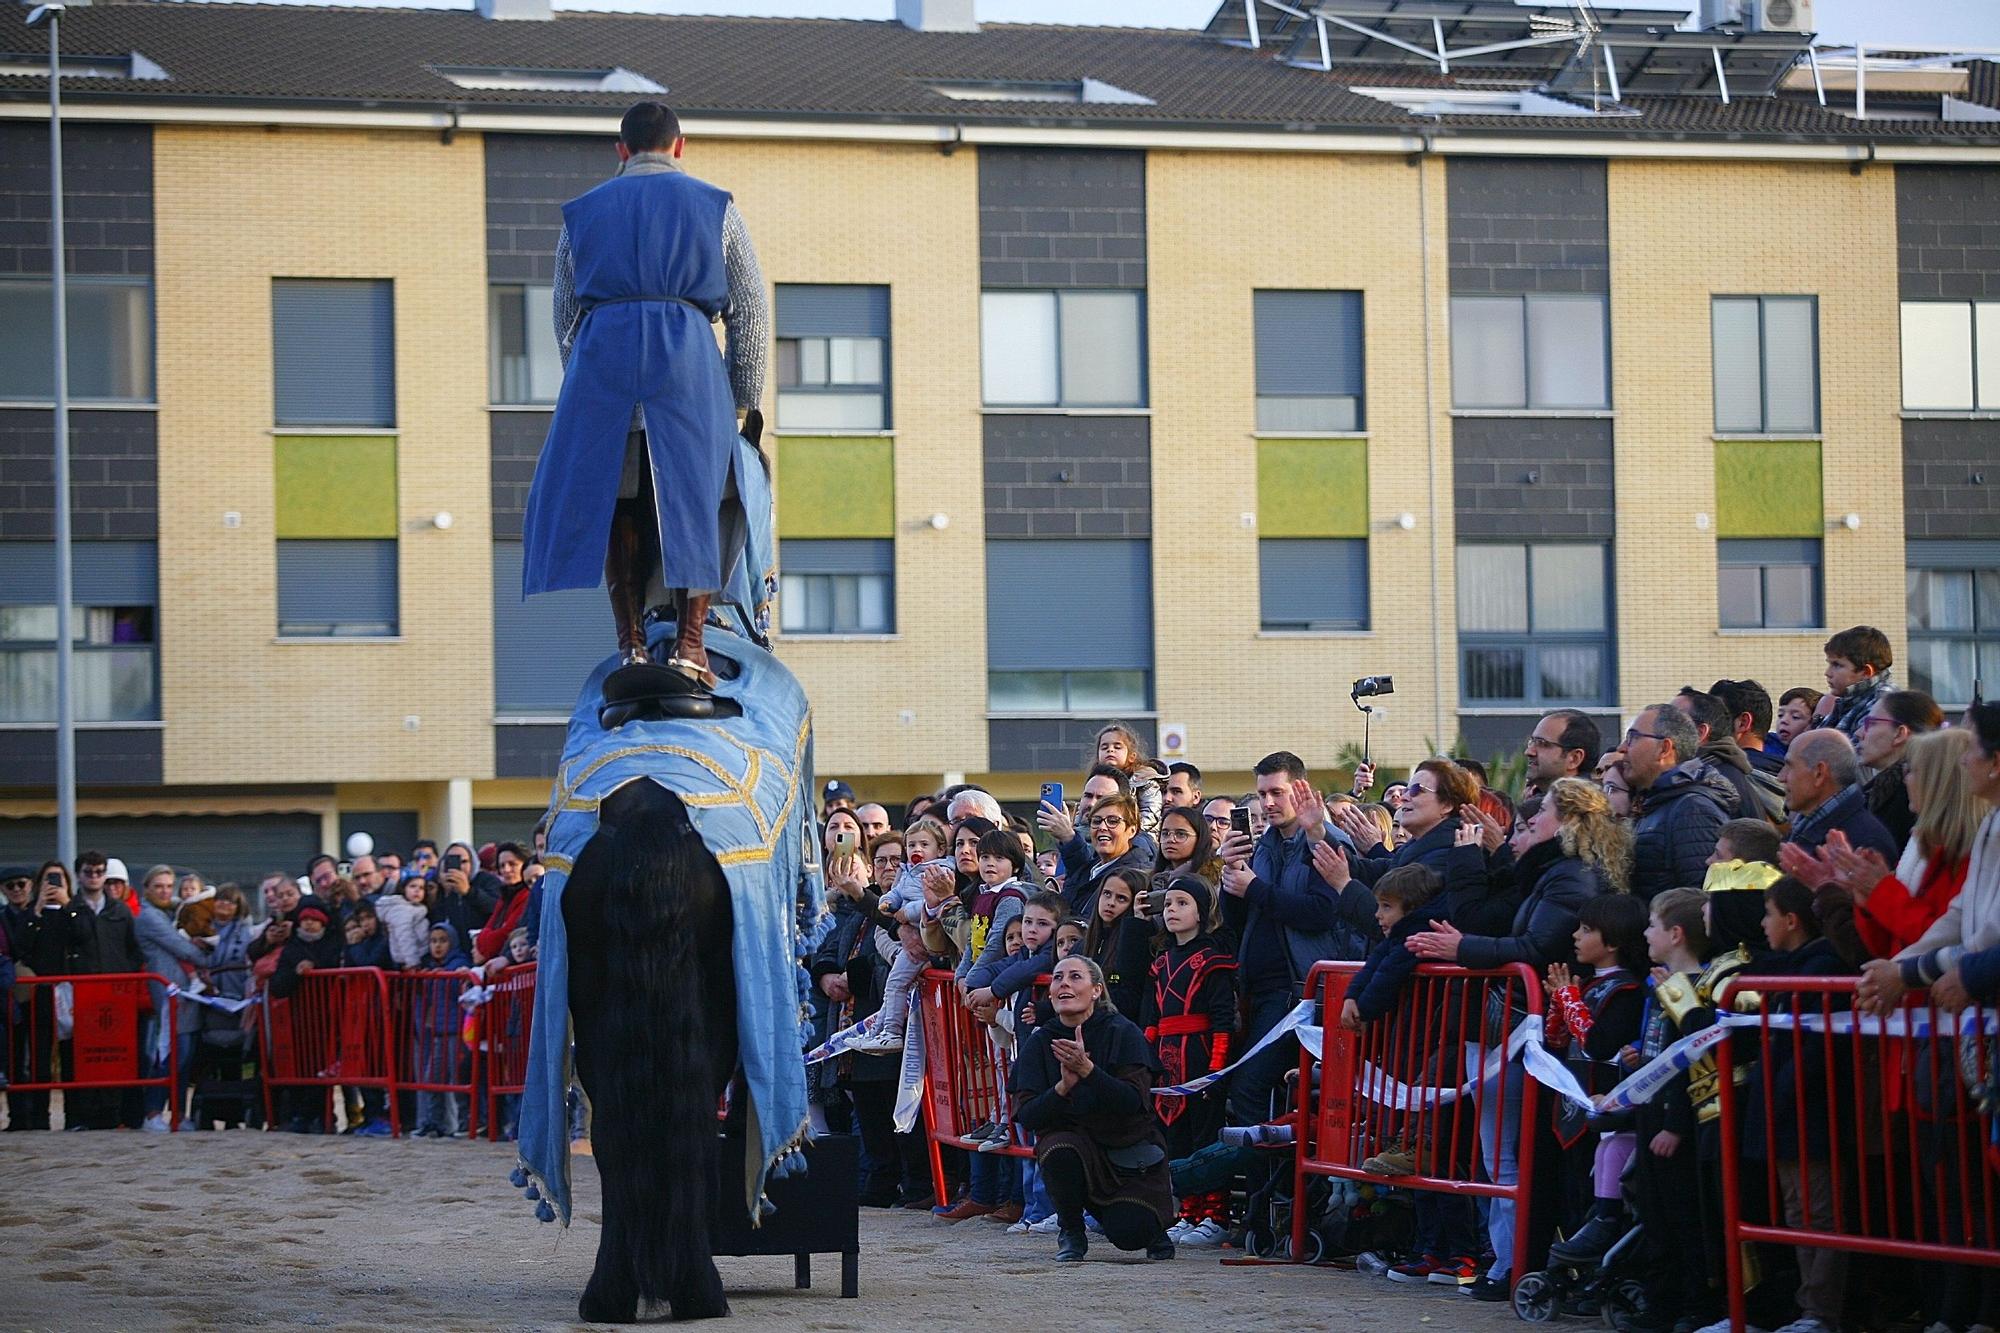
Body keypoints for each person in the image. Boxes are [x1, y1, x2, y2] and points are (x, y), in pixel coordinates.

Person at [522, 100, 768, 703]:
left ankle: (630, 641)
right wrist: (739, 397)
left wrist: (588, 391)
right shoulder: (717, 209)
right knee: (698, 500)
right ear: (679, 148)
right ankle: (690, 646)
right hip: (687, 368)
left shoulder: (581, 215)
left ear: (622, 151)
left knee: (618, 501)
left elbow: (563, 314)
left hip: (602, 371)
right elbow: (751, 311)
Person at [1406, 776, 1626, 1298]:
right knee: (1502, 1153)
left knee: (1515, 1154)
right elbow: (1505, 919)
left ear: (1568, 820)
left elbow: (1530, 946)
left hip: (1538, 1028)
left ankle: (1515, 1265)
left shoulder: (1571, 878)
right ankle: (1509, 1262)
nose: (1524, 829)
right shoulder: (1549, 872)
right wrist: (1499, 855)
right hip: (1519, 1026)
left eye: (1535, 818)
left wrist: (1460, 947)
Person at [1216, 753, 1369, 1128]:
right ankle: (1272, 1180)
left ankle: (1267, 1184)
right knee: (1252, 1092)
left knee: (1249, 1087)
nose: (1268, 803)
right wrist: (1231, 879)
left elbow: (1322, 912)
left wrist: (1255, 889)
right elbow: (1242, 918)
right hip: (1263, 989)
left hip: (1302, 992)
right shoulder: (1263, 845)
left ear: (1300, 790)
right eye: (1262, 793)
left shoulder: (1326, 840)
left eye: (1277, 793)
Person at [1739, 876, 1856, 1333]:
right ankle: (1808, 1308)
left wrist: (1783, 1092)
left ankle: (1820, 1312)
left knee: (1818, 1213)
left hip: (1811, 1112)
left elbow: (1812, 1049)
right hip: (1788, 1110)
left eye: (1768, 915)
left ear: (1790, 920)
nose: (1763, 925)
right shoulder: (1790, 966)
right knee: (1797, 1210)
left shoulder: (1822, 966)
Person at [1012, 955, 1177, 1263]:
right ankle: (1071, 1231)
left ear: (1097, 990)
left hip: (1125, 1149)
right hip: (1072, 1147)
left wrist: (1089, 1071)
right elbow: (1028, 1115)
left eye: (1075, 977)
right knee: (1059, 1146)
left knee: (1130, 1233)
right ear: (1050, 993)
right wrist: (1063, 1088)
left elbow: (1132, 1103)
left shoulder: (1122, 1032)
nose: (1064, 984)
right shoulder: (1040, 1042)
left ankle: (1149, 1228)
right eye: (1058, 978)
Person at [1628, 888, 1720, 1331]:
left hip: (1674, 1121)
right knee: (1654, 1215)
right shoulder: (1661, 983)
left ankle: (1695, 1305)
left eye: (1652, 925)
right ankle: (1659, 1303)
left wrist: (1675, 1124)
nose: (1645, 932)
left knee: (1684, 1218)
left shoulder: (1699, 990)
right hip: (1649, 1113)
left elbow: (1692, 1065)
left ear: (1676, 933)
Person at [1542, 893, 1650, 1269]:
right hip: (1571, 1106)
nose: (1575, 935)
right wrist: (1559, 1002)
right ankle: (1571, 1271)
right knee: (1570, 1192)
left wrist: (1568, 998)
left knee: (1596, 1191)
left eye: (1587, 929)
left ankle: (1598, 1271)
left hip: (1603, 1105)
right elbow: (1556, 1040)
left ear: (1614, 941)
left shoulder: (1627, 990)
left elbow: (1599, 1044)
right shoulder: (1587, 984)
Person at [1812, 727, 1985, 959]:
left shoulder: (1973, 854)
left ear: (1937, 781)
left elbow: (1940, 940)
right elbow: (1888, 949)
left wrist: (1880, 889)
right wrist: (1866, 898)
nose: (1905, 779)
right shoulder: (1925, 847)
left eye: (1911, 770)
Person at [1142, 874, 1236, 1247]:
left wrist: (1215, 1071)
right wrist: (1147, 1063)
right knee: (1175, 1137)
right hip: (1167, 1058)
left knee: (1204, 1135)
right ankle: (1188, 1212)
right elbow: (1150, 1020)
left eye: (1182, 903)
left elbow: (1223, 1022)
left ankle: (1216, 1214)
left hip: (1199, 1056)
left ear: (1202, 912)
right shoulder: (1161, 963)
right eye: (1168, 904)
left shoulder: (1213, 961)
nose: (1172, 911)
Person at [1622, 703, 1736, 902]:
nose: (1622, 748)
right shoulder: (1656, 801)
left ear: (1664, 748)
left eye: (1633, 737)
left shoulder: (1693, 809)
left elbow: (1701, 900)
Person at [132, 865, 212, 1132]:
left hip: (186, 994)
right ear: (147, 889)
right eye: (159, 886)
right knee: (170, 1056)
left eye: (168, 886)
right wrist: (207, 951)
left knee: (185, 1056)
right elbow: (183, 948)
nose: (165, 891)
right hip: (169, 995)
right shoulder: (149, 917)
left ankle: (178, 1115)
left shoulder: (169, 912)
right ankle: (153, 1112)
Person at [1778, 728, 1899, 861]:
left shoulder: (1864, 846)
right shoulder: (1808, 822)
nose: (1781, 777)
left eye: (1790, 766)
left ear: (1819, 773)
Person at [1676, 686, 1784, 826]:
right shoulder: (1785, 772)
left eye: (1721, 715)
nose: (1714, 720)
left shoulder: (1717, 778)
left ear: (1743, 722)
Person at [1854, 688, 1943, 849]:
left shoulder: (1911, 799)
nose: (1859, 733)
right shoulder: (1880, 792)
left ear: (1900, 733)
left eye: (1871, 724)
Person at [1084, 869, 1153, 1022]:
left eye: (1121, 898)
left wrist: (1137, 925)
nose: (1111, 902)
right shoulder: (1090, 939)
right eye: (1107, 894)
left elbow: (1128, 997)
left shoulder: (1137, 938)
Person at [1821, 625, 1895, 748]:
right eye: (1829, 664)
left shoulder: (1882, 702)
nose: (1828, 673)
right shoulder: (1848, 700)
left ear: (1866, 672)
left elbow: (1854, 757)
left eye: (1837, 665)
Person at [1096, 722, 1168, 834]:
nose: (1110, 750)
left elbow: (1151, 813)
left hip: (1140, 837)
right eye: (1104, 747)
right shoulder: (1095, 782)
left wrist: (1127, 832)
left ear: (1132, 757)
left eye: (1117, 747)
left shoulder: (1145, 781)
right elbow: (1084, 811)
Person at [1709, 678, 1784, 777]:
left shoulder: (1716, 776)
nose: (1708, 728)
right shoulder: (1792, 778)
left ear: (1743, 722)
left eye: (1715, 718)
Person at [1523, 709, 1603, 798]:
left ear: (1574, 758)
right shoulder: (1537, 801)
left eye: (1542, 743)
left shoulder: (1583, 808)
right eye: (1531, 742)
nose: (1529, 752)